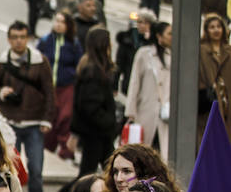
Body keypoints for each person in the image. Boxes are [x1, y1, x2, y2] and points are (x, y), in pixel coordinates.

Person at [0, 21, 54, 192]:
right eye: (15, 37)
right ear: (9, 39)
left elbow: (49, 92)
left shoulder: (39, 61)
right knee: (9, 170)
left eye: (22, 37)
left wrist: (46, 119)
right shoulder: (2, 60)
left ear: (27, 38)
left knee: (36, 169)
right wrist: (1, 92)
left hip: (34, 123)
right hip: (10, 122)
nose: (19, 41)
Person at [72, 27, 119, 176]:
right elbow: (89, 106)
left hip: (98, 133)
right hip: (96, 133)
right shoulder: (93, 72)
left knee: (110, 173)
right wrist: (109, 122)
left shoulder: (93, 68)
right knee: (88, 175)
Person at [38, 10, 82, 161]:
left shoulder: (74, 44)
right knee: (49, 119)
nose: (58, 24)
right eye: (56, 21)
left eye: (62, 22)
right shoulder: (45, 41)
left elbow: (79, 66)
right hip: (48, 88)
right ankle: (47, 150)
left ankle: (66, 152)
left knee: (65, 118)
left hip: (66, 87)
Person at [126, 20, 172, 157]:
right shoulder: (143, 54)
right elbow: (134, 83)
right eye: (169, 33)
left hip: (167, 114)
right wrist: (131, 112)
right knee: (142, 153)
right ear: (159, 36)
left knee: (163, 154)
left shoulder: (174, 56)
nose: (172, 37)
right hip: (146, 110)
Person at [198, 13, 231, 140]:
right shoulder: (202, 50)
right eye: (212, 27)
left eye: (218, 26)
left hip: (227, 98)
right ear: (206, 30)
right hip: (210, 99)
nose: (216, 30)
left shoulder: (228, 50)